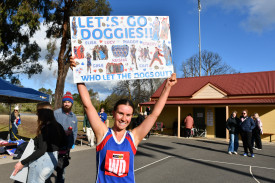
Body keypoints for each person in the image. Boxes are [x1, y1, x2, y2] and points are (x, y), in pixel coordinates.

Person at [71, 54, 177, 183]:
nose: (123, 118)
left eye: (128, 115)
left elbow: (154, 115)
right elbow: (88, 105)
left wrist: (167, 87)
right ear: (114, 113)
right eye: (120, 113)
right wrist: (78, 73)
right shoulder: (103, 133)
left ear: (131, 117)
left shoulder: (133, 137)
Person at [12, 102, 67, 183]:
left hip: (41, 162)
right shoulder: (58, 126)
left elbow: (41, 150)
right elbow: (64, 143)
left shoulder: (45, 129)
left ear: (43, 113)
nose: (37, 114)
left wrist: (22, 163)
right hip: (53, 161)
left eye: (38, 112)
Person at [54, 91, 78, 183]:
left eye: (68, 102)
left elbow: (75, 131)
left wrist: (71, 144)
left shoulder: (74, 117)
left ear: (71, 103)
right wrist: (63, 132)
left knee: (61, 171)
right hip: (55, 147)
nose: (66, 104)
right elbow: (51, 128)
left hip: (66, 149)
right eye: (65, 102)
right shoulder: (56, 113)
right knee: (48, 168)